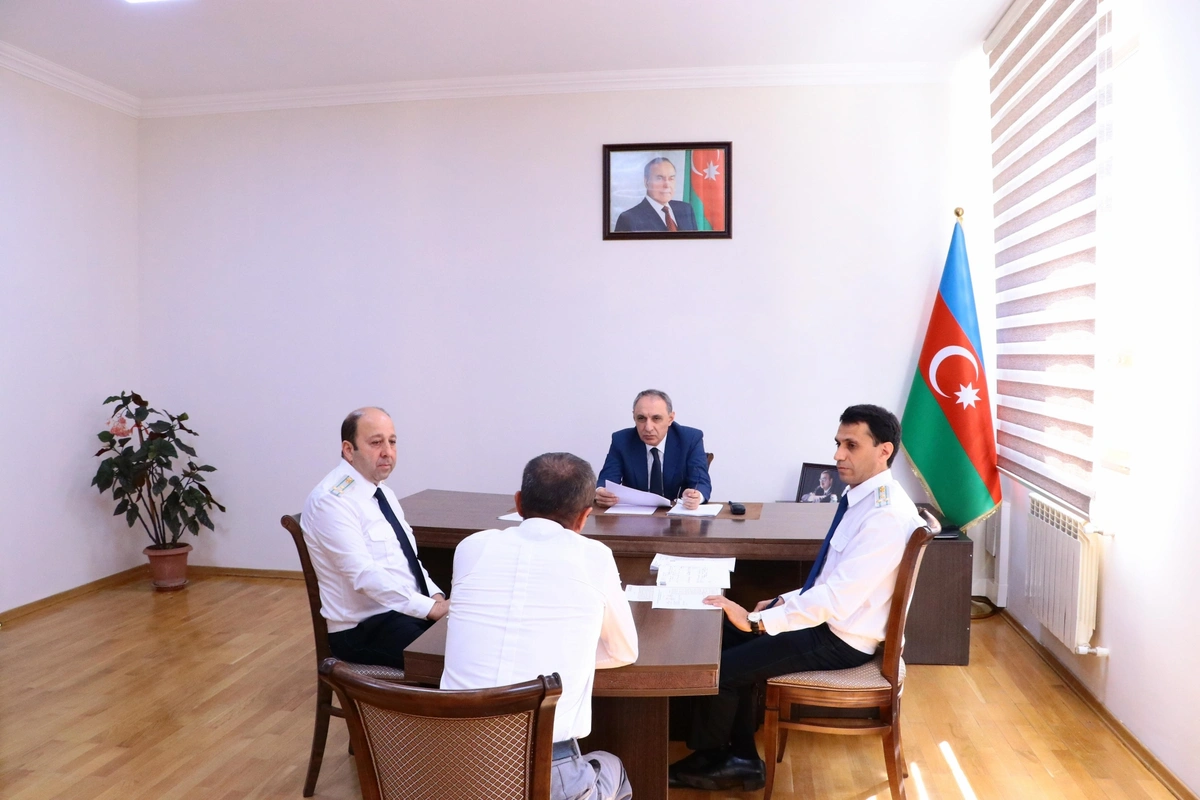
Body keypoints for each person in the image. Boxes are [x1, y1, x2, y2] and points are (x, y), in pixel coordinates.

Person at [669, 404, 922, 792]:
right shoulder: (866, 498)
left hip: (841, 639)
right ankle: (736, 755)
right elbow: (830, 579)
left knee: (724, 668)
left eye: (851, 445)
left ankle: (721, 761)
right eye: (838, 443)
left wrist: (758, 622)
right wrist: (780, 602)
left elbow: (836, 599)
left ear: (883, 450)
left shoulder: (885, 514)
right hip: (832, 622)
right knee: (722, 639)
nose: (838, 455)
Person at [442, 452, 639, 800]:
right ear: (584, 517)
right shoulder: (594, 556)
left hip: (452, 767)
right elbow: (624, 651)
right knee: (611, 767)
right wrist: (569, 654)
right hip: (546, 772)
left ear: (518, 503)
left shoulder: (471, 548)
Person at [301, 407, 448, 670]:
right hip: (363, 629)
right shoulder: (331, 502)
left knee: (478, 636)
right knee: (452, 655)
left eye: (392, 442)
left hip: (402, 612)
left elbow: (409, 561)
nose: (387, 452)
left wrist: (435, 598)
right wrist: (431, 609)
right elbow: (364, 575)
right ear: (348, 450)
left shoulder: (382, 493)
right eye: (376, 443)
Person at [595, 389, 712, 510]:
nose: (648, 428)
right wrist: (601, 492)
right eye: (641, 418)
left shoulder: (690, 439)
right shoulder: (622, 440)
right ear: (634, 417)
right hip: (636, 516)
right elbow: (607, 479)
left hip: (677, 516)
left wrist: (696, 496)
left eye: (656, 418)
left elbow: (701, 482)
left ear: (670, 418)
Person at [613, 157, 698, 232]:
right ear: (646, 182)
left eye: (671, 178)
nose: (667, 185)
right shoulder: (629, 219)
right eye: (659, 178)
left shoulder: (686, 209)